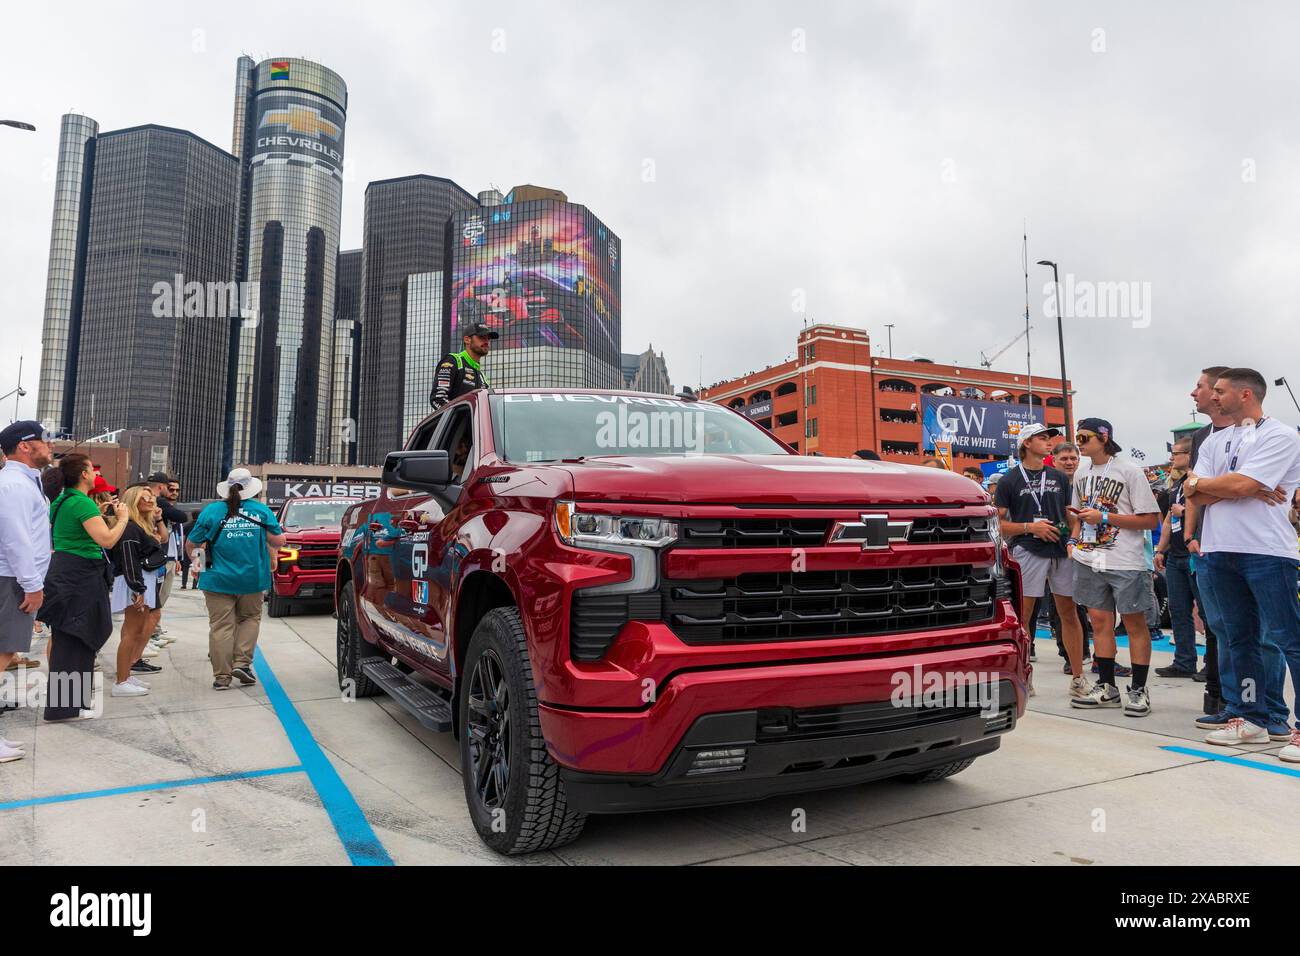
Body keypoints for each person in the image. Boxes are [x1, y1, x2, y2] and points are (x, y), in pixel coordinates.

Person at [1185, 368, 1300, 758]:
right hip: (1219, 551)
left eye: (1219, 391)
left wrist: (1220, 485)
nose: (1213, 397)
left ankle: (1294, 725)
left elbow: (1242, 486)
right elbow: (1193, 492)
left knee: (1288, 639)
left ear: (1245, 394)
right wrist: (1218, 486)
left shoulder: (1280, 435)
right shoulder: (1216, 441)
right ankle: (1249, 718)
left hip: (1267, 552)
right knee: (1240, 640)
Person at [1068, 418, 1161, 716]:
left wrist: (1105, 519)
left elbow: (1149, 520)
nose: (1079, 443)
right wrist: (1073, 540)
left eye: (1084, 438)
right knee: (1099, 623)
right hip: (1090, 557)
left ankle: (1138, 688)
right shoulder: (1081, 473)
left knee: (1134, 623)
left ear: (1103, 438)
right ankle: (1107, 687)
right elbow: (1078, 514)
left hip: (1125, 559)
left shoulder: (1129, 470)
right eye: (1078, 437)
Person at [994, 423, 1091, 700]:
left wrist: (1074, 539)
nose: (1048, 441)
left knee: (1069, 614)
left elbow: (1069, 514)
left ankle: (1078, 677)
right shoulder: (1009, 480)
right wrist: (1029, 527)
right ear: (1026, 443)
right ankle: (1024, 674)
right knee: (1024, 617)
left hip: (1060, 549)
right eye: (1042, 437)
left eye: (1049, 437)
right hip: (1028, 548)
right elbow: (997, 523)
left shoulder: (1059, 477)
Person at [40, 453, 129, 720]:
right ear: (84, 474)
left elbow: (74, 531)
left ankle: (71, 704)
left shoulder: (62, 500)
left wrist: (98, 515)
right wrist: (122, 518)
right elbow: (107, 540)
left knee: (72, 636)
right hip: (81, 575)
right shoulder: (81, 503)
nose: (96, 474)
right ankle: (65, 706)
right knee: (77, 637)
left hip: (65, 571)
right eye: (92, 469)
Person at [186, 468, 286, 690]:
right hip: (252, 578)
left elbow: (192, 543)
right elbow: (279, 541)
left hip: (216, 579)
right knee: (249, 619)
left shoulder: (211, 511)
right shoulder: (261, 511)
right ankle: (242, 663)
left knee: (221, 626)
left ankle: (221, 677)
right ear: (251, 489)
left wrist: (197, 561)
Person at [0, 422, 55, 761]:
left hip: (12, 577)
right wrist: (33, 586)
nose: (48, 445)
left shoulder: (23, 482)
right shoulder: (14, 485)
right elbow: (16, 538)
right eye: (43, 440)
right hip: (11, 579)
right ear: (24, 446)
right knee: (3, 653)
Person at [1184, 365, 1232, 719]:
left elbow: (1251, 487)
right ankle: (1216, 694)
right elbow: (1191, 489)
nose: (1193, 393)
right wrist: (1189, 534)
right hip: (1205, 543)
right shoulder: (1202, 437)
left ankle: (1256, 707)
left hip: (1247, 545)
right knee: (1215, 625)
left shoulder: (1256, 432)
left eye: (1199, 386)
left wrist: (1205, 489)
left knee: (1250, 632)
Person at [106, 485, 169, 696]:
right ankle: (121, 681)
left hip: (140, 581)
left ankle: (126, 675)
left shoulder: (140, 526)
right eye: (145, 498)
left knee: (135, 630)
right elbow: (129, 558)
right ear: (134, 501)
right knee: (131, 632)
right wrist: (137, 588)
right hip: (135, 581)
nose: (151, 501)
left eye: (152, 498)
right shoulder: (131, 528)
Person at [1047, 441, 1095, 670]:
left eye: (1073, 458)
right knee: (1064, 607)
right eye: (1064, 459)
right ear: (1053, 460)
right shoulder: (1046, 484)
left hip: (1089, 547)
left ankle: (1093, 655)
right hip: (1058, 550)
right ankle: (1070, 655)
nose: (1069, 462)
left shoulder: (1086, 480)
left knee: (1090, 604)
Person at [1154, 436, 1199, 678]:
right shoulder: (1176, 486)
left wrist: (1184, 513)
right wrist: (1160, 550)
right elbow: (1168, 521)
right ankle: (1184, 661)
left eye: (1177, 453)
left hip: (1194, 554)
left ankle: (1213, 667)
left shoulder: (1198, 481)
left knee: (1206, 613)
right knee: (1178, 610)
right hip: (1175, 556)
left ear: (1190, 455)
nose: (1172, 458)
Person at [430, 323, 498, 408]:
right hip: (455, 420)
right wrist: (459, 419)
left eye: (488, 338)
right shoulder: (453, 361)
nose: (486, 341)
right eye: (481, 337)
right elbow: (438, 398)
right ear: (467, 340)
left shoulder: (483, 378)